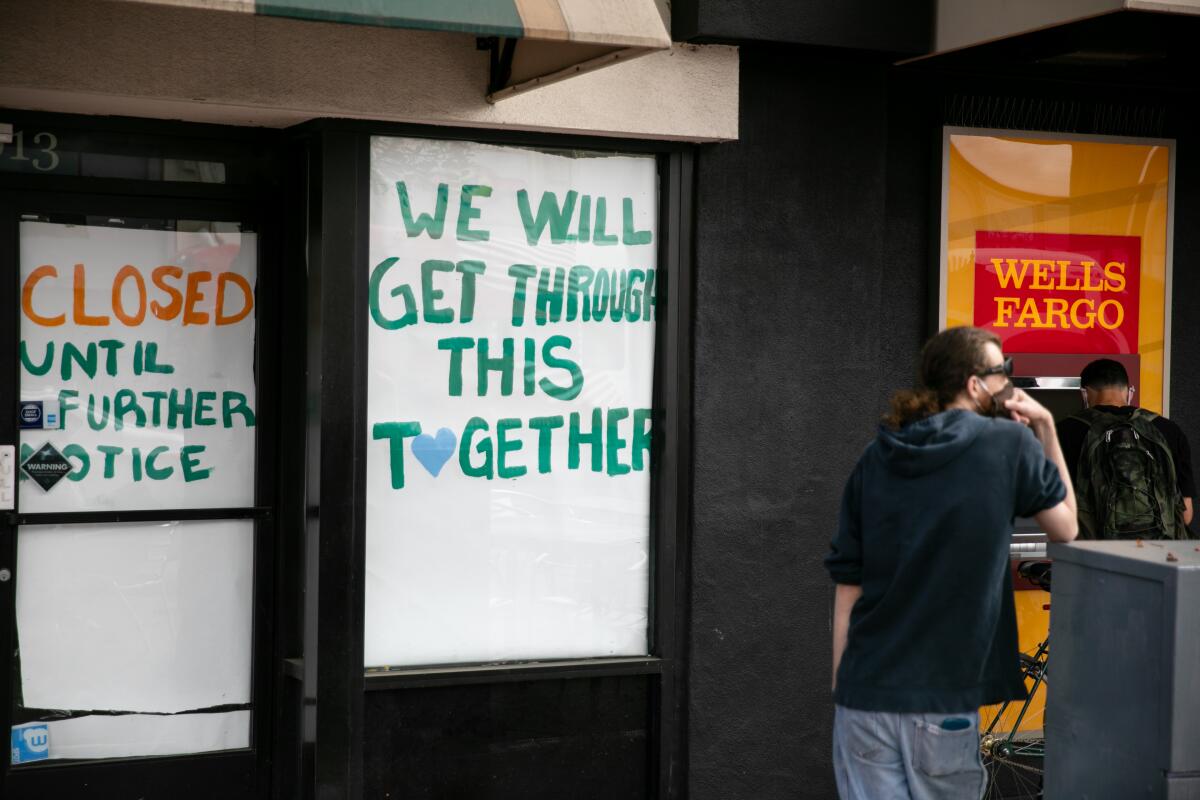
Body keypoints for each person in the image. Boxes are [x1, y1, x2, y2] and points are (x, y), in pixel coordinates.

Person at [826, 326, 1077, 800]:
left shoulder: (876, 455)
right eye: (1003, 372)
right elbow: (1066, 526)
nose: (1009, 383)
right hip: (941, 696)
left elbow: (848, 583)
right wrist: (1046, 429)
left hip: (863, 694)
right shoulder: (1008, 445)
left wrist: (843, 688)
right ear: (975, 384)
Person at [1056, 358, 1194, 536]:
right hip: (1158, 554)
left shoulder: (1064, 431)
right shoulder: (1168, 430)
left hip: (1093, 556)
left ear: (1085, 393)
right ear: (1129, 391)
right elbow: (1185, 514)